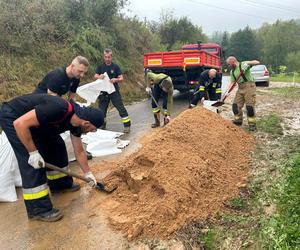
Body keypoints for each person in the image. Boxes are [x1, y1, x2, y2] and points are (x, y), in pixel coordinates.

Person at [0, 94, 104, 222]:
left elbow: (79, 151)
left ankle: (60, 185)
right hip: (13, 117)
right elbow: (20, 123)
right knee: (32, 162)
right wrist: (33, 153)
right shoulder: (58, 108)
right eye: (92, 130)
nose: (90, 132)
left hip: (35, 123)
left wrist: (88, 173)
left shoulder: (77, 124)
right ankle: (37, 209)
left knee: (56, 145)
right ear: (86, 123)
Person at [94, 49, 131, 133]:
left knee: (120, 108)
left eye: (109, 57)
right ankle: (102, 123)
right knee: (101, 110)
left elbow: (121, 78)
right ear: (104, 57)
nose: (107, 59)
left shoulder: (115, 66)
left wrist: (116, 79)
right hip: (103, 91)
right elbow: (95, 75)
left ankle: (127, 126)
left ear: (111, 57)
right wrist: (99, 76)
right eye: (106, 57)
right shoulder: (100, 66)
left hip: (114, 91)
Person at [226, 56, 260, 131]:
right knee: (235, 105)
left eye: (229, 64)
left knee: (249, 107)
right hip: (240, 88)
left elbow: (257, 62)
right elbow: (232, 83)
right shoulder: (232, 72)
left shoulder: (243, 64)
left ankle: (252, 125)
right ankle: (238, 121)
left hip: (249, 86)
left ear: (233, 62)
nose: (228, 66)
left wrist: (248, 63)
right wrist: (228, 91)